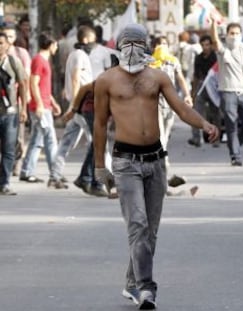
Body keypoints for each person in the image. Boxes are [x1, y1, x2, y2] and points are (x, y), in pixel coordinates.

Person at [93, 23, 219, 309]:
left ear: (147, 45)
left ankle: (131, 282)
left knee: (149, 230)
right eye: (129, 42)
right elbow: (100, 124)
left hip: (155, 160)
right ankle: (146, 289)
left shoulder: (158, 77)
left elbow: (181, 108)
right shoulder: (106, 80)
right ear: (120, 46)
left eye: (140, 41)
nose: (134, 47)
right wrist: (100, 166)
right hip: (125, 162)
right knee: (137, 225)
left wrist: (204, 123)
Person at [50, 25, 96, 192]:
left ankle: (55, 175)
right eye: (93, 40)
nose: (94, 44)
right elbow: (76, 79)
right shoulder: (79, 55)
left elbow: (72, 79)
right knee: (98, 142)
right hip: (82, 106)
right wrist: (75, 105)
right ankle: (102, 178)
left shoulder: (75, 54)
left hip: (77, 106)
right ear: (85, 40)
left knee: (67, 143)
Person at [210, 16, 243, 166]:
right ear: (227, 34)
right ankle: (235, 156)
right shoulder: (223, 49)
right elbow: (214, 40)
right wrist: (213, 23)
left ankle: (234, 143)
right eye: (232, 33)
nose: (235, 36)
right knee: (231, 123)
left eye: (237, 33)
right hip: (228, 91)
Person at [19, 32, 65, 187]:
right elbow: (33, 83)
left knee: (36, 140)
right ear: (51, 45)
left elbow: (44, 86)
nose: (57, 47)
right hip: (40, 108)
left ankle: (26, 171)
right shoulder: (39, 60)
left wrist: (53, 102)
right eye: (56, 45)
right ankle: (55, 174)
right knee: (50, 139)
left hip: (45, 105)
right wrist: (39, 103)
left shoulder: (44, 60)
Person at [0, 32, 27, 195]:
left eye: (1, 43)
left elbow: (23, 84)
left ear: (8, 45)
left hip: (10, 113)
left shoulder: (13, 62)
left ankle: (5, 182)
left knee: (9, 149)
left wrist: (23, 108)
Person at [188, 34, 219, 147]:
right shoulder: (199, 58)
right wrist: (193, 92)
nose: (205, 47)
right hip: (202, 86)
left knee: (215, 113)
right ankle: (196, 138)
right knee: (196, 112)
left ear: (211, 45)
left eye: (207, 45)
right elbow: (196, 76)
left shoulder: (216, 57)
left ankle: (216, 139)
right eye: (203, 45)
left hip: (214, 88)